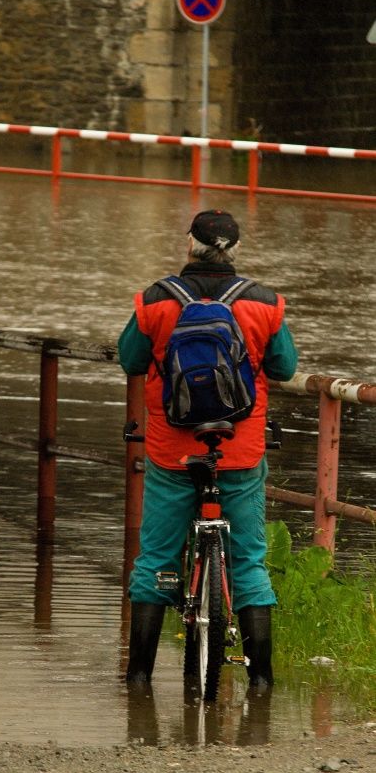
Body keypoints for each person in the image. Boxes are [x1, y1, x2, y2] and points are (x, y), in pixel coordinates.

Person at [118, 209, 298, 689]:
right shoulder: (264, 303)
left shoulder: (157, 300)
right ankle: (261, 681)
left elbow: (131, 359)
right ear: (234, 250)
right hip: (240, 449)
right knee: (249, 561)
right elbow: (283, 368)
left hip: (171, 449)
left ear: (189, 244)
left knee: (155, 557)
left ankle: (138, 679)